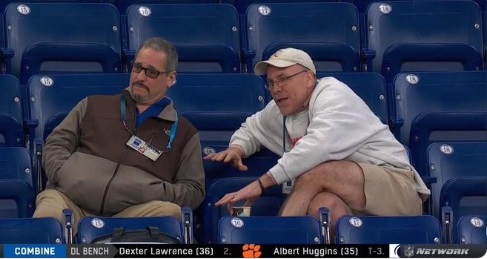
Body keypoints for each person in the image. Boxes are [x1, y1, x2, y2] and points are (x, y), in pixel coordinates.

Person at [205, 48, 430, 236]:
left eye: (283, 79)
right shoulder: (280, 110)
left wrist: (260, 185)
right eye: (271, 82)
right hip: (350, 204)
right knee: (321, 207)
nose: (276, 88)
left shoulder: (334, 95)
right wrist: (238, 147)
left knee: (317, 172)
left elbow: (316, 148)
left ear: (308, 78)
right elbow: (252, 128)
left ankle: (277, 244)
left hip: (397, 190)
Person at [33, 37, 205, 232]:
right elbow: (57, 143)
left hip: (131, 214)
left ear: (171, 78)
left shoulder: (184, 132)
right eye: (137, 68)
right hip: (70, 201)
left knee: (170, 212)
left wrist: (154, 191)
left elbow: (194, 189)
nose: (140, 77)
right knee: (48, 214)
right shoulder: (93, 105)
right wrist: (64, 172)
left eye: (151, 72)